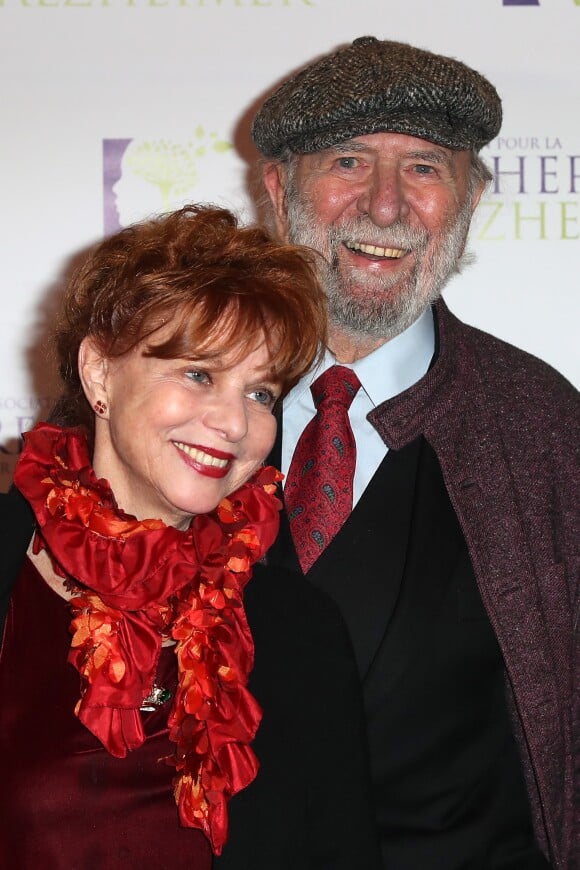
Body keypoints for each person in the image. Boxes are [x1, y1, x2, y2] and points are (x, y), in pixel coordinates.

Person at [249, 36, 579, 869]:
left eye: (426, 168)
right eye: (350, 161)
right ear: (278, 188)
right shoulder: (170, 411)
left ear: (471, 197)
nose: (387, 206)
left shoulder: (547, 430)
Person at [0, 203, 381, 869]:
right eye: (199, 373)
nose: (235, 423)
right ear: (100, 374)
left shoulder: (300, 624)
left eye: (261, 393)